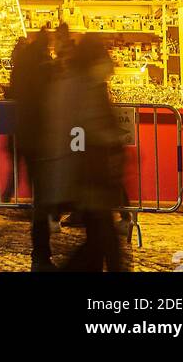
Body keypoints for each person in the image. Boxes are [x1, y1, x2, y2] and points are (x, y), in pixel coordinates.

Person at [60, 34, 126, 272]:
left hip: (89, 174)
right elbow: (90, 128)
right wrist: (112, 138)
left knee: (100, 240)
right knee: (103, 240)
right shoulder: (89, 86)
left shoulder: (78, 82)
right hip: (93, 173)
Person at [7, 29, 55, 270]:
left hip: (26, 136)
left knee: (40, 196)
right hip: (44, 139)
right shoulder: (46, 69)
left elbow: (13, 94)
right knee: (44, 196)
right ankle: (42, 253)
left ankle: (40, 253)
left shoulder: (22, 68)